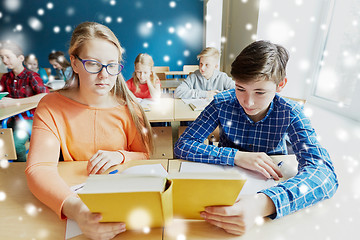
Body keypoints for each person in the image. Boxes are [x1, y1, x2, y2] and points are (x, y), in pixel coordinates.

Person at [174, 40, 338, 236]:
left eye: (260, 92)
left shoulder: (291, 112)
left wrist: (264, 203)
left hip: (271, 194)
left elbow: (324, 174)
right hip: (225, 190)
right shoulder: (222, 102)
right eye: (240, 88)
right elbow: (183, 145)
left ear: (281, 85)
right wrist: (236, 156)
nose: (248, 102)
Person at [25, 22, 154, 240]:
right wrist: (77, 210)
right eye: (93, 64)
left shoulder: (130, 108)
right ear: (74, 63)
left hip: (123, 207)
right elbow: (38, 167)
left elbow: (145, 156)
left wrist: (120, 155)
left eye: (112, 65)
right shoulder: (51, 106)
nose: (104, 75)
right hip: (73, 201)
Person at [0, 41, 49, 162]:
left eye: (8, 57)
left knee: (16, 146)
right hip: (9, 119)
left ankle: (20, 169)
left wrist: (13, 102)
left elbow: (45, 96)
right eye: (2, 57)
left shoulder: (32, 76)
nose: (4, 60)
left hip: (29, 119)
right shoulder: (5, 78)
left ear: (20, 58)